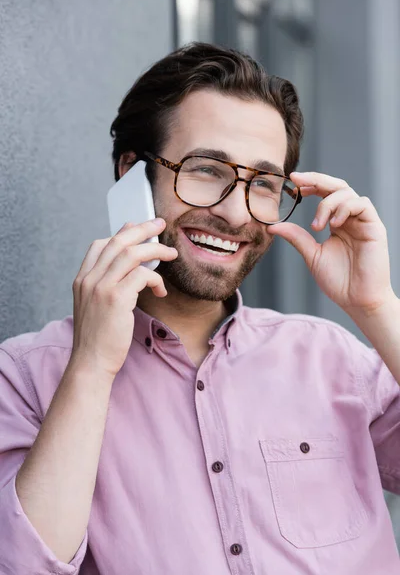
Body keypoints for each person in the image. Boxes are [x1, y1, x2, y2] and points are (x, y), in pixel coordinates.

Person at [1, 42, 399, 575]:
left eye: (263, 184)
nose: (236, 214)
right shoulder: (27, 378)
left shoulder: (335, 361)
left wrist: (378, 307)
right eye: (207, 169)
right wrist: (92, 368)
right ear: (131, 175)